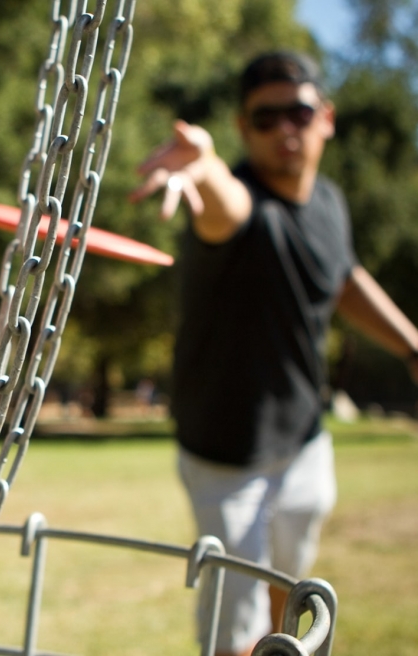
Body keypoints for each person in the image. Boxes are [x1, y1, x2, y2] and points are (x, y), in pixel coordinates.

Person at [130, 51, 418, 656]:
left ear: (326, 118)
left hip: (304, 440)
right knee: (234, 625)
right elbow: (224, 206)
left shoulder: (329, 204)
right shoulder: (239, 203)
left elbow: (342, 278)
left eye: (299, 113)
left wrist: (411, 346)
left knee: (289, 596)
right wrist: (204, 168)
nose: (285, 128)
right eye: (265, 118)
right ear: (243, 128)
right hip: (225, 455)